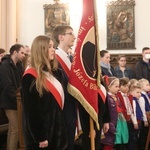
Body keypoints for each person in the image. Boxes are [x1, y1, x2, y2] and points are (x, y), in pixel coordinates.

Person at [21, 35, 67, 150]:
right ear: (41, 50)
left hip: (58, 131)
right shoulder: (30, 77)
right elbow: (31, 111)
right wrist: (40, 136)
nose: (53, 50)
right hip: (41, 136)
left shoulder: (57, 73)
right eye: (49, 47)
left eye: (53, 46)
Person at [53, 25, 77, 150]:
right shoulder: (54, 58)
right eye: (70, 33)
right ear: (61, 37)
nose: (74, 36)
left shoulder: (71, 58)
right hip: (62, 103)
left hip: (71, 102)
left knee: (70, 134)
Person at [0, 44, 25, 150]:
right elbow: (7, 86)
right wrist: (17, 97)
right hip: (9, 101)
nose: (24, 55)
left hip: (18, 101)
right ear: (15, 52)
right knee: (15, 129)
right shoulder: (5, 65)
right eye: (22, 53)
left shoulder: (19, 65)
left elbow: (23, 82)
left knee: (13, 129)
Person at [101, 76, 120, 150]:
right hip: (108, 128)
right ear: (109, 86)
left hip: (113, 126)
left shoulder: (114, 97)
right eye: (116, 86)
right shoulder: (107, 98)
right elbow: (107, 113)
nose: (118, 89)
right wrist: (111, 125)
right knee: (107, 145)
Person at [128, 85, 145, 150]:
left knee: (135, 138)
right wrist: (135, 122)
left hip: (138, 121)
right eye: (137, 92)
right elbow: (133, 112)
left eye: (140, 92)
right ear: (131, 92)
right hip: (134, 122)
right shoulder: (132, 100)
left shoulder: (137, 100)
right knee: (133, 138)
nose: (139, 94)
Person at [137, 79, 149, 149]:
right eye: (147, 85)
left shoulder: (146, 94)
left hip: (147, 115)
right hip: (145, 116)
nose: (149, 86)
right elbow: (144, 107)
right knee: (143, 133)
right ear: (141, 87)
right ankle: (141, 146)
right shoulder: (142, 96)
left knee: (145, 133)